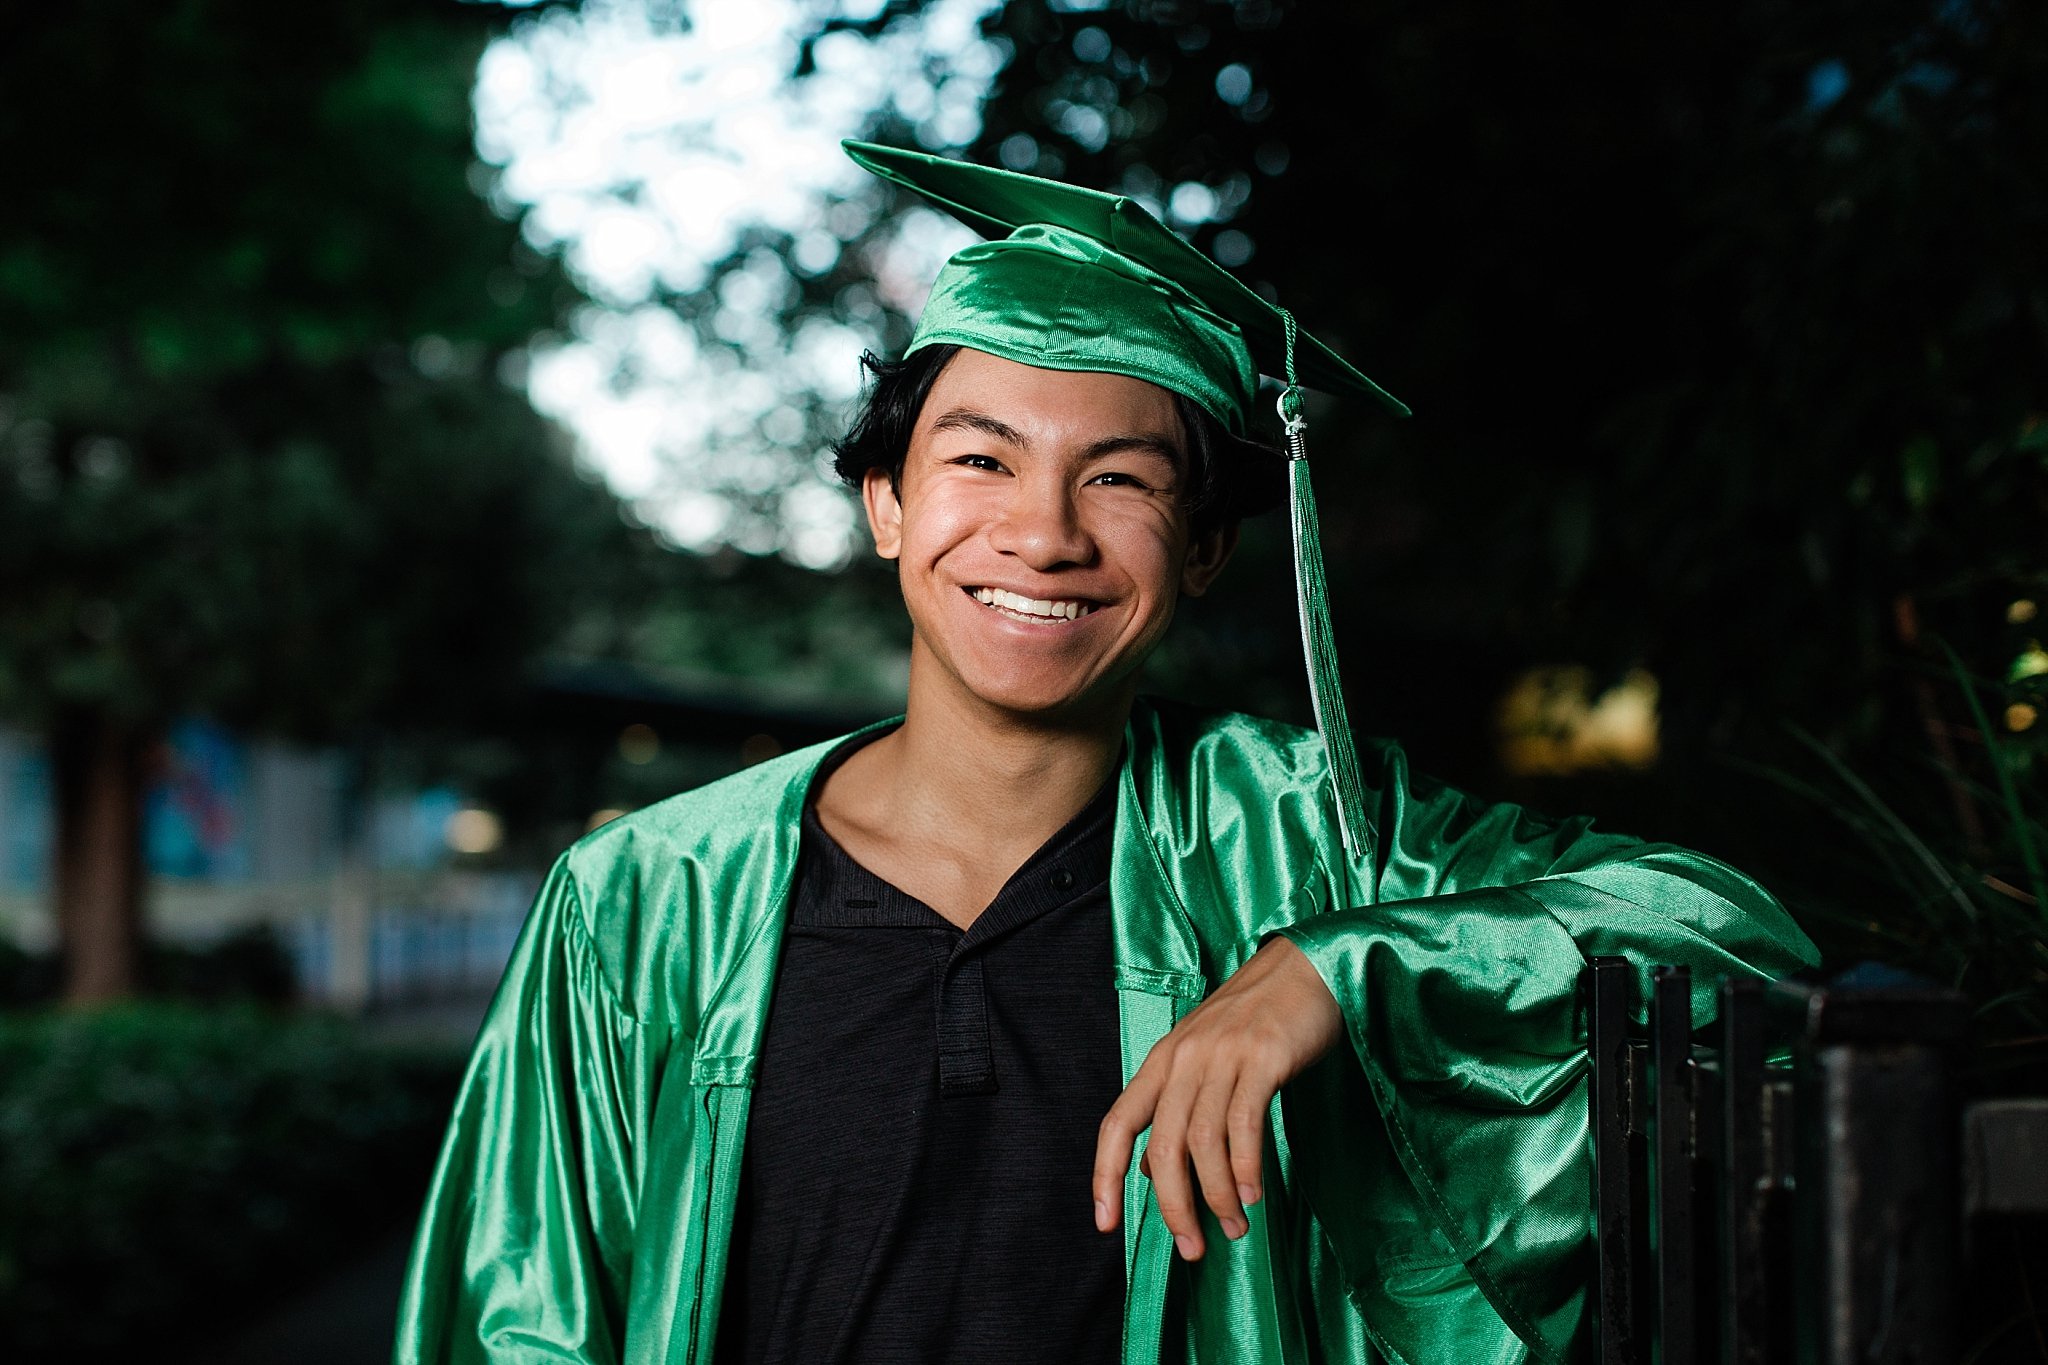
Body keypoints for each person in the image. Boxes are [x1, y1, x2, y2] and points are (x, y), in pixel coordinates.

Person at [393, 143, 1815, 1365]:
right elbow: (527, 1324)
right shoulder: (645, 901)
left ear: (1201, 547)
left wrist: (1342, 965)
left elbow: (1738, 940)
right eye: (981, 459)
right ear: (885, 501)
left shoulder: (1309, 840)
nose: (1045, 531)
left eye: (1119, 478)